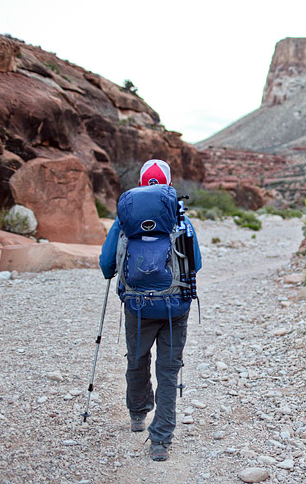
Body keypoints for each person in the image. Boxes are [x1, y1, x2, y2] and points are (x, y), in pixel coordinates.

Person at [99, 159, 202, 461]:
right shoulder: (180, 217)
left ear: (142, 183)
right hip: (174, 308)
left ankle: (137, 414)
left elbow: (107, 265)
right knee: (168, 371)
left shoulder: (126, 218)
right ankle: (160, 441)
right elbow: (195, 263)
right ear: (169, 184)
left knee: (137, 358)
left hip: (137, 306)